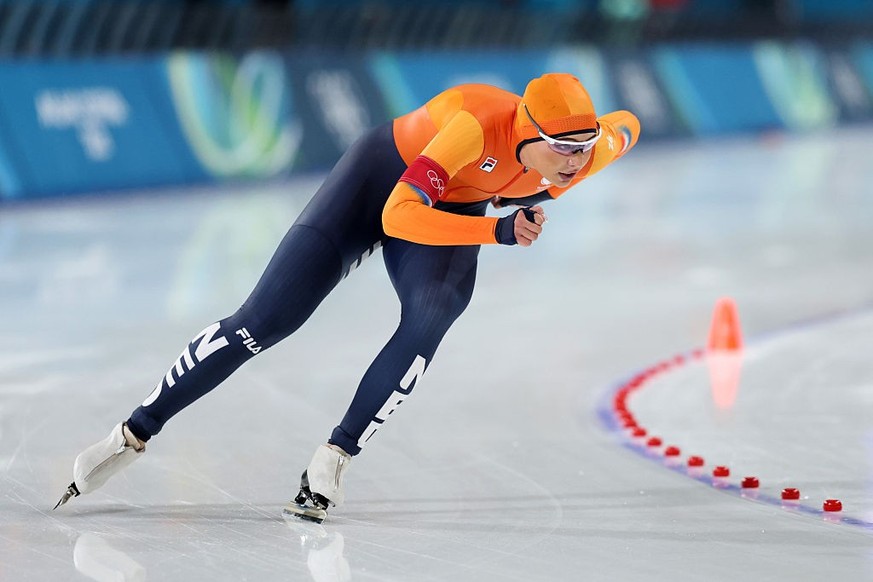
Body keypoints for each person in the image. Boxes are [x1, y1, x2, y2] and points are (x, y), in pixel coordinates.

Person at [55, 73, 640, 523]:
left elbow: (627, 124)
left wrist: (589, 146)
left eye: (585, 148)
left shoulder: (589, 150)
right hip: (382, 180)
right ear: (525, 133)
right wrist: (497, 230)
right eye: (564, 149)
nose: (577, 162)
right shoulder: (476, 123)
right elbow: (399, 213)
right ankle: (132, 433)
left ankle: (335, 456)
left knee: (433, 312)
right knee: (265, 320)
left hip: (454, 204)